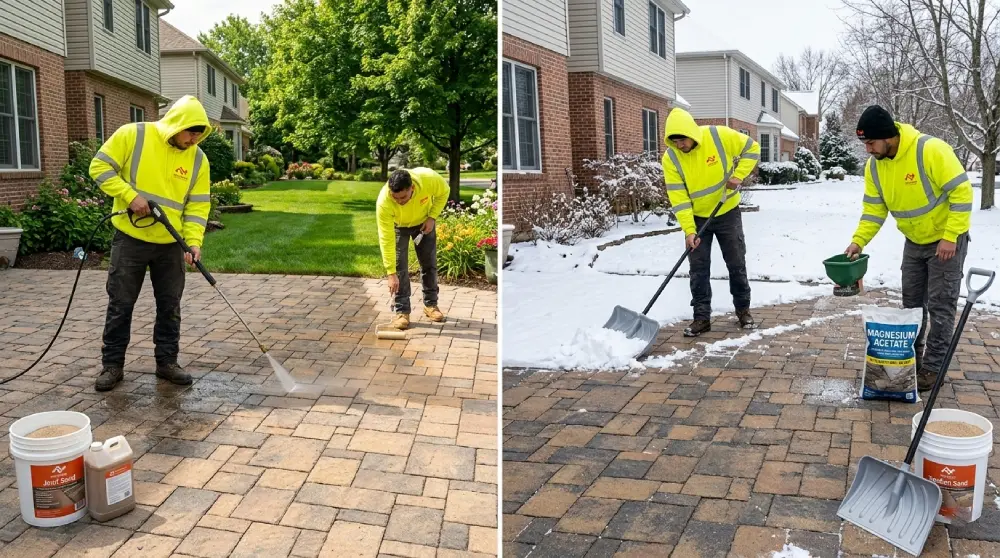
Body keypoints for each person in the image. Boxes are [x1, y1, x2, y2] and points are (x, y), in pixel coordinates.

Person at [89, 95, 213, 391]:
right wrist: (130, 196)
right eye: (190, 131)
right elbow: (99, 167)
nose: (194, 138)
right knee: (121, 303)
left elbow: (197, 206)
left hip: (171, 243)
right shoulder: (134, 135)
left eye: (200, 133)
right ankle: (112, 365)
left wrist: (193, 243)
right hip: (130, 239)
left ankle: (167, 362)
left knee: (170, 304)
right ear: (176, 124)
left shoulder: (198, 159)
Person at [846, 104, 973, 391]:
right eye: (865, 143)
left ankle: (933, 368)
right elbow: (873, 210)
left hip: (946, 241)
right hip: (914, 242)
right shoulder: (875, 167)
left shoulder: (929, 150)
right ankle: (912, 360)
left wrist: (951, 235)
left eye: (871, 142)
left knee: (942, 306)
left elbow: (962, 192)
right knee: (912, 306)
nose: (868, 150)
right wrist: (858, 241)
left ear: (888, 136)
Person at [661, 107, 761, 337]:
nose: (679, 145)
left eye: (682, 140)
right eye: (674, 142)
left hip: (726, 211)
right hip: (696, 219)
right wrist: (688, 230)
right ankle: (701, 318)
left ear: (691, 133)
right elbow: (678, 197)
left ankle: (743, 310)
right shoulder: (671, 158)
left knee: (736, 262)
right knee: (698, 269)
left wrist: (738, 176)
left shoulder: (718, 135)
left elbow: (752, 148)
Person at [376, 168, 449, 329]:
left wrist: (432, 217)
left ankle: (431, 305)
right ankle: (402, 312)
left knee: (429, 264)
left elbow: (444, 191)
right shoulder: (384, 202)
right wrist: (390, 272)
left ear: (412, 189)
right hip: (398, 226)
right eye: (395, 198)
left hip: (424, 223)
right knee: (400, 267)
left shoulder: (428, 179)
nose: (399, 201)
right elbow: (386, 239)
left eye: (403, 197)